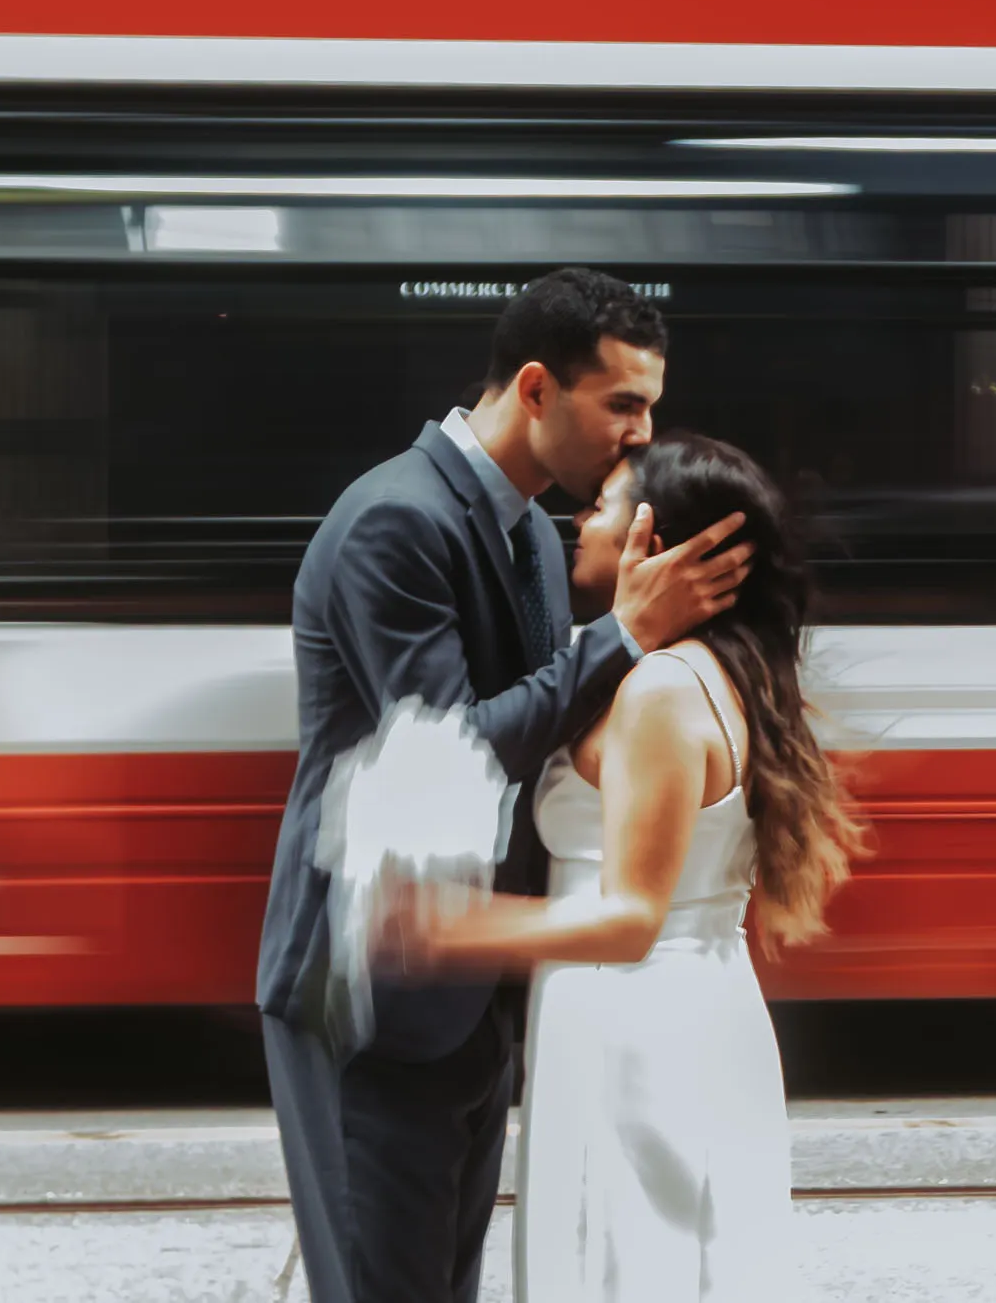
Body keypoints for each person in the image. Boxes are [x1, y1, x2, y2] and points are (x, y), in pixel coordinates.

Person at [255, 269, 753, 1303]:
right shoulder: (395, 522)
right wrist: (623, 637)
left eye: (650, 407)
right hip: (375, 987)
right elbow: (457, 750)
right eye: (623, 403)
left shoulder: (530, 529)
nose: (639, 434)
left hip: (474, 992)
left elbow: (551, 718)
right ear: (536, 388)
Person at [390, 434, 870, 1302]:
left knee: (623, 1267)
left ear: (657, 539)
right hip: (680, 1009)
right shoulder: (722, 671)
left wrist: (458, 926)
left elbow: (632, 916)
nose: (581, 519)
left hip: (633, 1023)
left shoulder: (660, 692)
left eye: (603, 504)